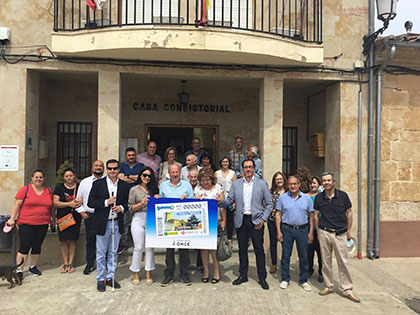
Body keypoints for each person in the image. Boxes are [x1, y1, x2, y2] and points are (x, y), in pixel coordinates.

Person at [220, 159, 272, 290]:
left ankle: (262, 278)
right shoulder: (236, 184)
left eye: (250, 167)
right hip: (241, 220)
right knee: (242, 249)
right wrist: (220, 201)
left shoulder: (261, 184)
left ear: (254, 168)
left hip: (256, 221)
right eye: (245, 167)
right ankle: (243, 275)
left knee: (259, 250)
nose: (248, 169)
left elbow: (269, 204)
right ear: (242, 169)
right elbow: (230, 200)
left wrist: (263, 219)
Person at [314, 172, 360, 303]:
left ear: (333, 182)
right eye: (324, 181)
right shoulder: (319, 198)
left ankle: (347, 289)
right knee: (326, 262)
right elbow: (316, 215)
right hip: (324, 232)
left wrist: (349, 230)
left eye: (329, 180)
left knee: (343, 262)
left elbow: (349, 213)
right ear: (322, 183)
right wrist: (318, 231)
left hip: (340, 233)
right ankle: (328, 286)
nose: (326, 183)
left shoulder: (343, 196)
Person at [88, 159, 129, 292]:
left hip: (116, 222)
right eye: (110, 168)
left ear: (119, 169)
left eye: (115, 168)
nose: (112, 171)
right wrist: (106, 202)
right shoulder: (98, 183)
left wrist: (121, 208)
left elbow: (127, 204)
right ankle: (100, 278)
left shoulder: (123, 185)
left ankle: (110, 276)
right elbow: (91, 202)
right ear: (106, 169)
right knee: (101, 252)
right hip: (102, 223)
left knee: (113, 252)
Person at [6, 170, 55, 280]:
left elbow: (51, 207)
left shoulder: (48, 191)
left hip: (43, 223)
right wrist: (12, 218)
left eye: (41, 177)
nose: (38, 179)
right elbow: (17, 205)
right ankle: (19, 270)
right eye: (36, 177)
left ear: (44, 178)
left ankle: (33, 267)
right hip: (26, 223)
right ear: (32, 178)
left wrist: (53, 220)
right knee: (24, 247)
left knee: (37, 246)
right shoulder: (25, 189)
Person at [276, 176, 314, 292]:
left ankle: (303, 280)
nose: (292, 186)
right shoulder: (282, 198)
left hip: (302, 230)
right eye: (290, 184)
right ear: (288, 185)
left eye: (294, 184)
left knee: (303, 256)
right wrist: (278, 231)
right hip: (287, 229)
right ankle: (285, 278)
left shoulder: (306, 198)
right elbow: (278, 215)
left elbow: (312, 216)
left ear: (298, 185)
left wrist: (311, 232)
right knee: (286, 256)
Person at [158, 164, 194, 286]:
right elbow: (160, 203)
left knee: (184, 250)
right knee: (169, 250)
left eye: (176, 172)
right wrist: (157, 198)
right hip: (168, 223)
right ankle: (169, 275)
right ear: (169, 173)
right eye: (172, 172)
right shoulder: (163, 185)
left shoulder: (187, 185)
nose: (174, 174)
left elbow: (193, 201)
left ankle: (184, 275)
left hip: (182, 222)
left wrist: (187, 198)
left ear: (180, 173)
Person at [194, 168, 226, 284]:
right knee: (204, 248)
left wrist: (224, 220)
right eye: (203, 180)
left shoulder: (218, 188)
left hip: (215, 221)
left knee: (213, 248)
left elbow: (223, 205)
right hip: (201, 222)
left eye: (207, 180)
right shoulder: (197, 189)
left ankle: (216, 271)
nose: (205, 182)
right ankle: (206, 271)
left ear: (212, 179)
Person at [128, 166, 159, 285]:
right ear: (140, 176)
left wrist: (157, 198)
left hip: (151, 218)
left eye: (149, 176)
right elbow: (130, 208)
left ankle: (148, 273)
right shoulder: (134, 190)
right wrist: (141, 203)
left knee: (150, 247)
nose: (146, 178)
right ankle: (135, 273)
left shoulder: (154, 189)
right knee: (138, 247)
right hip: (138, 218)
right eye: (144, 175)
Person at [76, 160, 105, 275]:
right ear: (92, 167)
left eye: (100, 166)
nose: (98, 168)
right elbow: (79, 199)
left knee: (103, 241)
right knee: (90, 241)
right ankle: (90, 263)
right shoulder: (85, 182)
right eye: (96, 165)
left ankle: (103, 264)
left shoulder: (107, 181)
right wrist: (82, 212)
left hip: (103, 215)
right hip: (90, 215)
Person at [53, 168, 82, 274]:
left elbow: (82, 199)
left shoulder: (79, 187)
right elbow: (55, 202)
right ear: (63, 177)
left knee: (73, 240)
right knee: (64, 241)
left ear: (74, 176)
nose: (69, 178)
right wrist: (68, 204)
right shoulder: (59, 188)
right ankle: (65, 263)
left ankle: (71, 263)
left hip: (75, 217)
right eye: (66, 176)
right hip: (63, 217)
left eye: (71, 175)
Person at [118, 147, 144, 254]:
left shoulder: (141, 166)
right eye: (129, 155)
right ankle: (124, 243)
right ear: (126, 156)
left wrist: (128, 177)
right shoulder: (122, 166)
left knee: (138, 221)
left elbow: (141, 178)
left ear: (136, 155)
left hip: (138, 196)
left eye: (133, 155)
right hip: (125, 196)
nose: (131, 157)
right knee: (125, 221)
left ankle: (139, 245)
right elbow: (120, 178)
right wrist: (134, 178)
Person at [268, 171, 287, 274]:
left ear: (284, 180)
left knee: (285, 243)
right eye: (277, 179)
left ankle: (284, 263)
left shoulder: (288, 192)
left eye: (280, 178)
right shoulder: (271, 192)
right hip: (272, 220)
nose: (279, 180)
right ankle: (274, 263)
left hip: (286, 221)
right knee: (273, 242)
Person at [215, 156, 237, 245]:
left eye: (226, 161)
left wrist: (235, 201)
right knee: (219, 218)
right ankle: (218, 237)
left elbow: (235, 187)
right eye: (223, 161)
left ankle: (229, 238)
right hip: (219, 199)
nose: (225, 163)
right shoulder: (217, 173)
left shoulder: (232, 173)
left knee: (230, 219)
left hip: (229, 199)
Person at [306, 176, 323, 283]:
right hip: (308, 226)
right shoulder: (305, 196)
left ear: (318, 185)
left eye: (315, 183)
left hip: (320, 226)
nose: (312, 185)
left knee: (321, 252)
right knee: (309, 251)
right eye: (311, 183)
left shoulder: (322, 196)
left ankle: (321, 272)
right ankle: (309, 269)